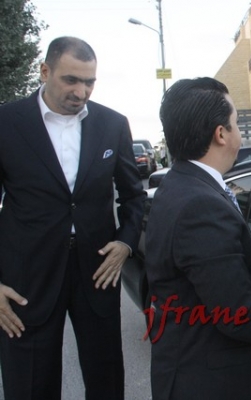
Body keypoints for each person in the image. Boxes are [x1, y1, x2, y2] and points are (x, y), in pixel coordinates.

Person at [144, 77, 251, 400]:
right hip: (216, 383)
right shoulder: (200, 205)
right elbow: (240, 314)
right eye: (237, 123)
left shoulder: (180, 184)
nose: (240, 133)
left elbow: (211, 270)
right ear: (221, 134)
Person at [0, 37, 145, 400]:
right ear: (44, 71)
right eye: (71, 80)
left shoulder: (112, 124)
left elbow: (133, 196)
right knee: (30, 383)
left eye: (89, 82)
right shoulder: (6, 122)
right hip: (27, 276)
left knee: (106, 378)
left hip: (97, 271)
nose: (81, 92)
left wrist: (125, 243)